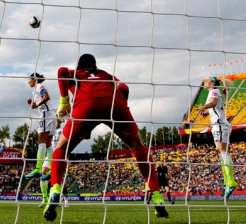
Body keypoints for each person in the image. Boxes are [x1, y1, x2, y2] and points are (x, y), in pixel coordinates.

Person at [43, 54, 168, 221]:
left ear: (80, 65)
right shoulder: (107, 75)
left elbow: (62, 71)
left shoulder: (77, 73)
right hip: (114, 103)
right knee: (138, 146)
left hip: (85, 105)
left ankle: (56, 188)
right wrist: (122, 108)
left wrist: (64, 101)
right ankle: (157, 195)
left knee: (61, 148)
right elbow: (124, 88)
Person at [199, 76, 237, 198]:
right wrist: (207, 112)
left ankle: (230, 182)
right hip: (218, 124)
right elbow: (216, 106)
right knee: (221, 153)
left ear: (211, 83)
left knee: (223, 152)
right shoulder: (212, 92)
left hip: (220, 124)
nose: (204, 82)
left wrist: (205, 107)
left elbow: (214, 102)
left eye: (206, 80)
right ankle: (227, 182)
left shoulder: (214, 91)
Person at [25, 73, 57, 179]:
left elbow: (46, 97)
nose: (28, 81)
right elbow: (41, 101)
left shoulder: (39, 86)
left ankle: (38, 169)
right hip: (51, 113)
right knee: (48, 143)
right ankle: (53, 170)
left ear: (34, 79)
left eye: (29, 79)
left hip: (46, 113)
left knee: (41, 140)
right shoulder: (37, 89)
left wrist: (37, 104)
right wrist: (33, 104)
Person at [39, 119, 67, 208]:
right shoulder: (50, 131)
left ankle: (64, 198)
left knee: (58, 178)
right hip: (50, 154)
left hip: (58, 154)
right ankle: (45, 198)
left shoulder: (62, 131)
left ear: (59, 121)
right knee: (43, 173)